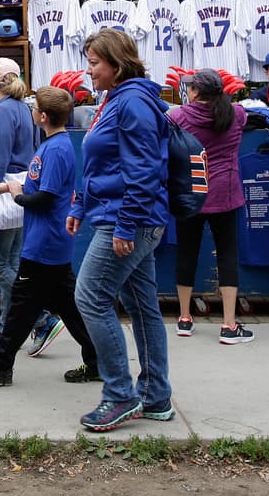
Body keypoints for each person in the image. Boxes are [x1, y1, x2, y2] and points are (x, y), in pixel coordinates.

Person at [0, 86, 100, 386]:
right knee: (69, 308)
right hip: (48, 241)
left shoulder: (56, 150)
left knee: (22, 308)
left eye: (35, 108)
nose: (31, 111)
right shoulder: (52, 145)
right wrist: (6, 188)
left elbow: (45, 198)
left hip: (44, 243)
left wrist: (16, 194)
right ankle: (97, 360)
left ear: (43, 117)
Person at [70, 29, 173, 432]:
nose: (89, 70)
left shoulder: (132, 103)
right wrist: (81, 203)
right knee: (143, 307)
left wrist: (126, 225)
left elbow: (144, 172)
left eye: (94, 62)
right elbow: (100, 162)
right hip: (122, 215)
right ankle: (156, 396)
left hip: (129, 220)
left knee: (90, 297)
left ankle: (120, 395)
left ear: (117, 63)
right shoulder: (117, 99)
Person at [0, 57, 64, 356]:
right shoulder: (24, 109)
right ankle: (7, 327)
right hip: (21, 190)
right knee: (11, 264)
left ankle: (42, 316)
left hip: (2, 193)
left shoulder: (2, 112)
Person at [169, 69, 253, 344]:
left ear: (195, 91)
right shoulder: (236, 114)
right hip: (226, 193)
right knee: (227, 255)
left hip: (191, 193)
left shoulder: (179, 116)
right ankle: (229, 324)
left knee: (187, 252)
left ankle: (184, 317)